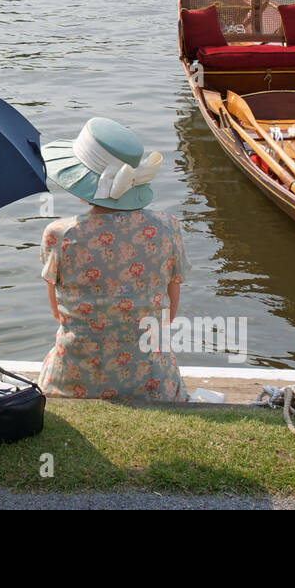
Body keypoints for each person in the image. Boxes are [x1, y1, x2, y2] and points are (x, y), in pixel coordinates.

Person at [37, 118, 188, 402]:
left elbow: (58, 314)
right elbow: (170, 315)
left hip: (70, 382)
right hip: (153, 384)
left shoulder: (59, 235)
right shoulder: (168, 227)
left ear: (81, 183)